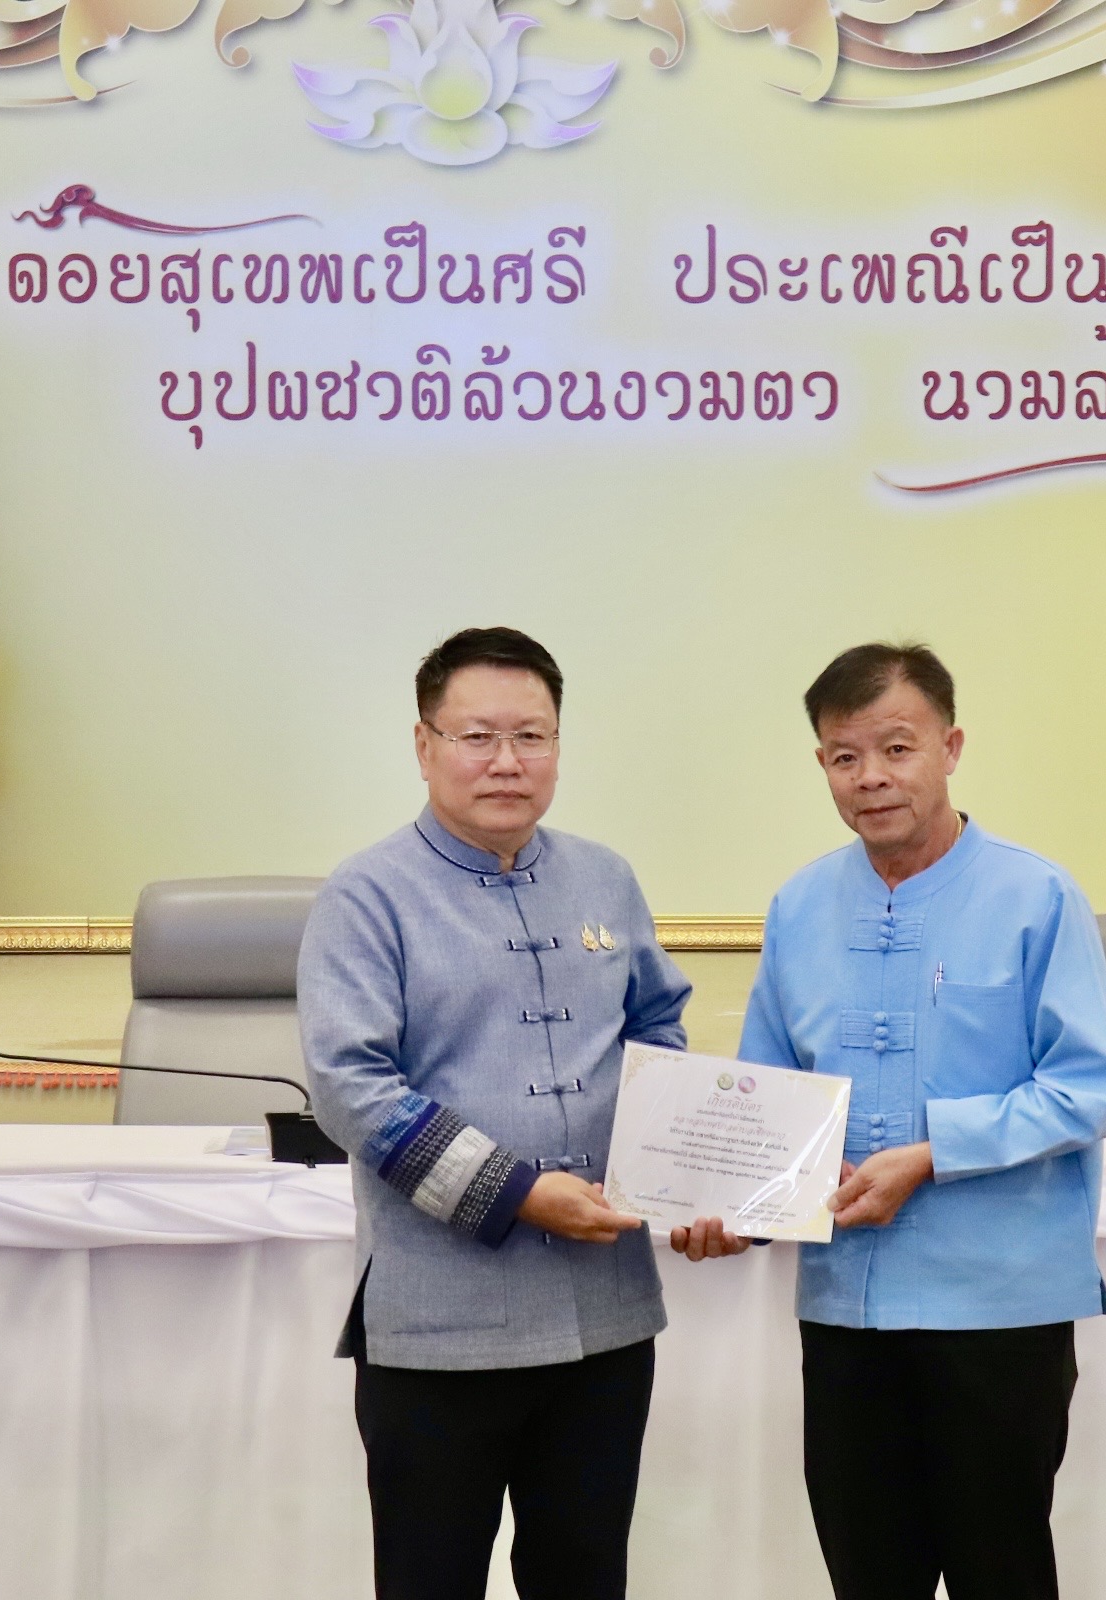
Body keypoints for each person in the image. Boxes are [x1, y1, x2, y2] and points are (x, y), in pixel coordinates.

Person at [300, 626, 732, 1600]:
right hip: (439, 1326)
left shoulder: (604, 877)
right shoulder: (367, 895)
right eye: (477, 736)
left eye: (532, 736)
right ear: (424, 746)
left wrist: (683, 1167)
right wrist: (519, 1193)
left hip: (605, 1320)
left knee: (586, 1577)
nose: (507, 761)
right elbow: (350, 1086)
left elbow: (656, 1025)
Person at [734, 642, 1106, 1600]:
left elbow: (1091, 1086)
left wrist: (933, 1153)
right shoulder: (799, 906)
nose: (870, 777)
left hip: (998, 1310)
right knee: (868, 1573)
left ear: (950, 748)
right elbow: (764, 1098)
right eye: (844, 756)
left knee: (1002, 1571)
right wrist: (729, 1199)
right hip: (847, 1310)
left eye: (897, 748)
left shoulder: (1036, 895)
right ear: (822, 765)